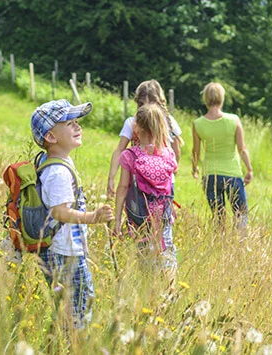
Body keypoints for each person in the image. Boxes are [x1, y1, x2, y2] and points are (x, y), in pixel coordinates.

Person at [30, 99, 115, 329]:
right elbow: (59, 212)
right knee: (78, 312)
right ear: (51, 136)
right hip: (63, 253)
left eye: (77, 122)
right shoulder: (57, 171)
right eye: (70, 123)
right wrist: (92, 217)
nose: (78, 127)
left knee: (69, 312)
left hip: (64, 250)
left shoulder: (59, 161)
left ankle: (65, 344)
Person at [114, 104, 178, 279]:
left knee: (144, 257)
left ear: (138, 128)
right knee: (167, 251)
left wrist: (118, 218)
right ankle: (170, 291)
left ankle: (149, 294)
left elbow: (122, 188)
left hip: (139, 218)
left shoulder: (130, 156)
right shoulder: (168, 154)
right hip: (163, 216)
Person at [192, 82, 253, 230]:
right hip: (232, 174)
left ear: (205, 99)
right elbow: (242, 148)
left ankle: (220, 246)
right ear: (222, 98)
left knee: (218, 216)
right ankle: (241, 245)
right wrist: (249, 169)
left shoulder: (198, 123)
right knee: (241, 214)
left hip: (210, 175)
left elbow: (196, 151)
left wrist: (195, 168)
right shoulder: (234, 120)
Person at [107, 79, 182, 197]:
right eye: (143, 104)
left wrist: (111, 177)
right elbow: (176, 151)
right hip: (162, 182)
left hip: (138, 180)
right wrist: (171, 172)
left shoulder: (132, 122)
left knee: (137, 213)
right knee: (163, 213)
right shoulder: (168, 121)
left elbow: (120, 150)